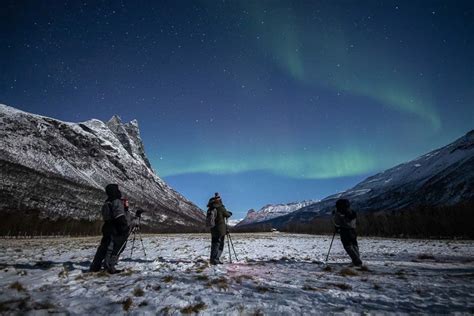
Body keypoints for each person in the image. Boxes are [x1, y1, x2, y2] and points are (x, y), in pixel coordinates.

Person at [90, 184, 131, 273]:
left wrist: (126, 208)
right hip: (116, 228)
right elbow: (119, 215)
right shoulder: (116, 201)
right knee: (113, 247)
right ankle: (109, 267)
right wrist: (124, 227)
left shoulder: (107, 202)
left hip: (107, 227)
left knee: (103, 247)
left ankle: (95, 266)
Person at [333, 198, 362, 267]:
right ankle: (356, 259)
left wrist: (335, 215)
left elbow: (337, 222)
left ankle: (357, 261)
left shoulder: (339, 213)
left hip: (344, 231)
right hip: (353, 230)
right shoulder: (352, 212)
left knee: (347, 246)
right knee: (354, 244)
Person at [208, 193, 232, 265]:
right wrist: (230, 213)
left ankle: (212, 259)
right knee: (219, 244)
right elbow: (227, 214)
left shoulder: (211, 208)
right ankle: (216, 259)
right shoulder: (220, 207)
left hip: (213, 229)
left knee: (214, 244)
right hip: (220, 230)